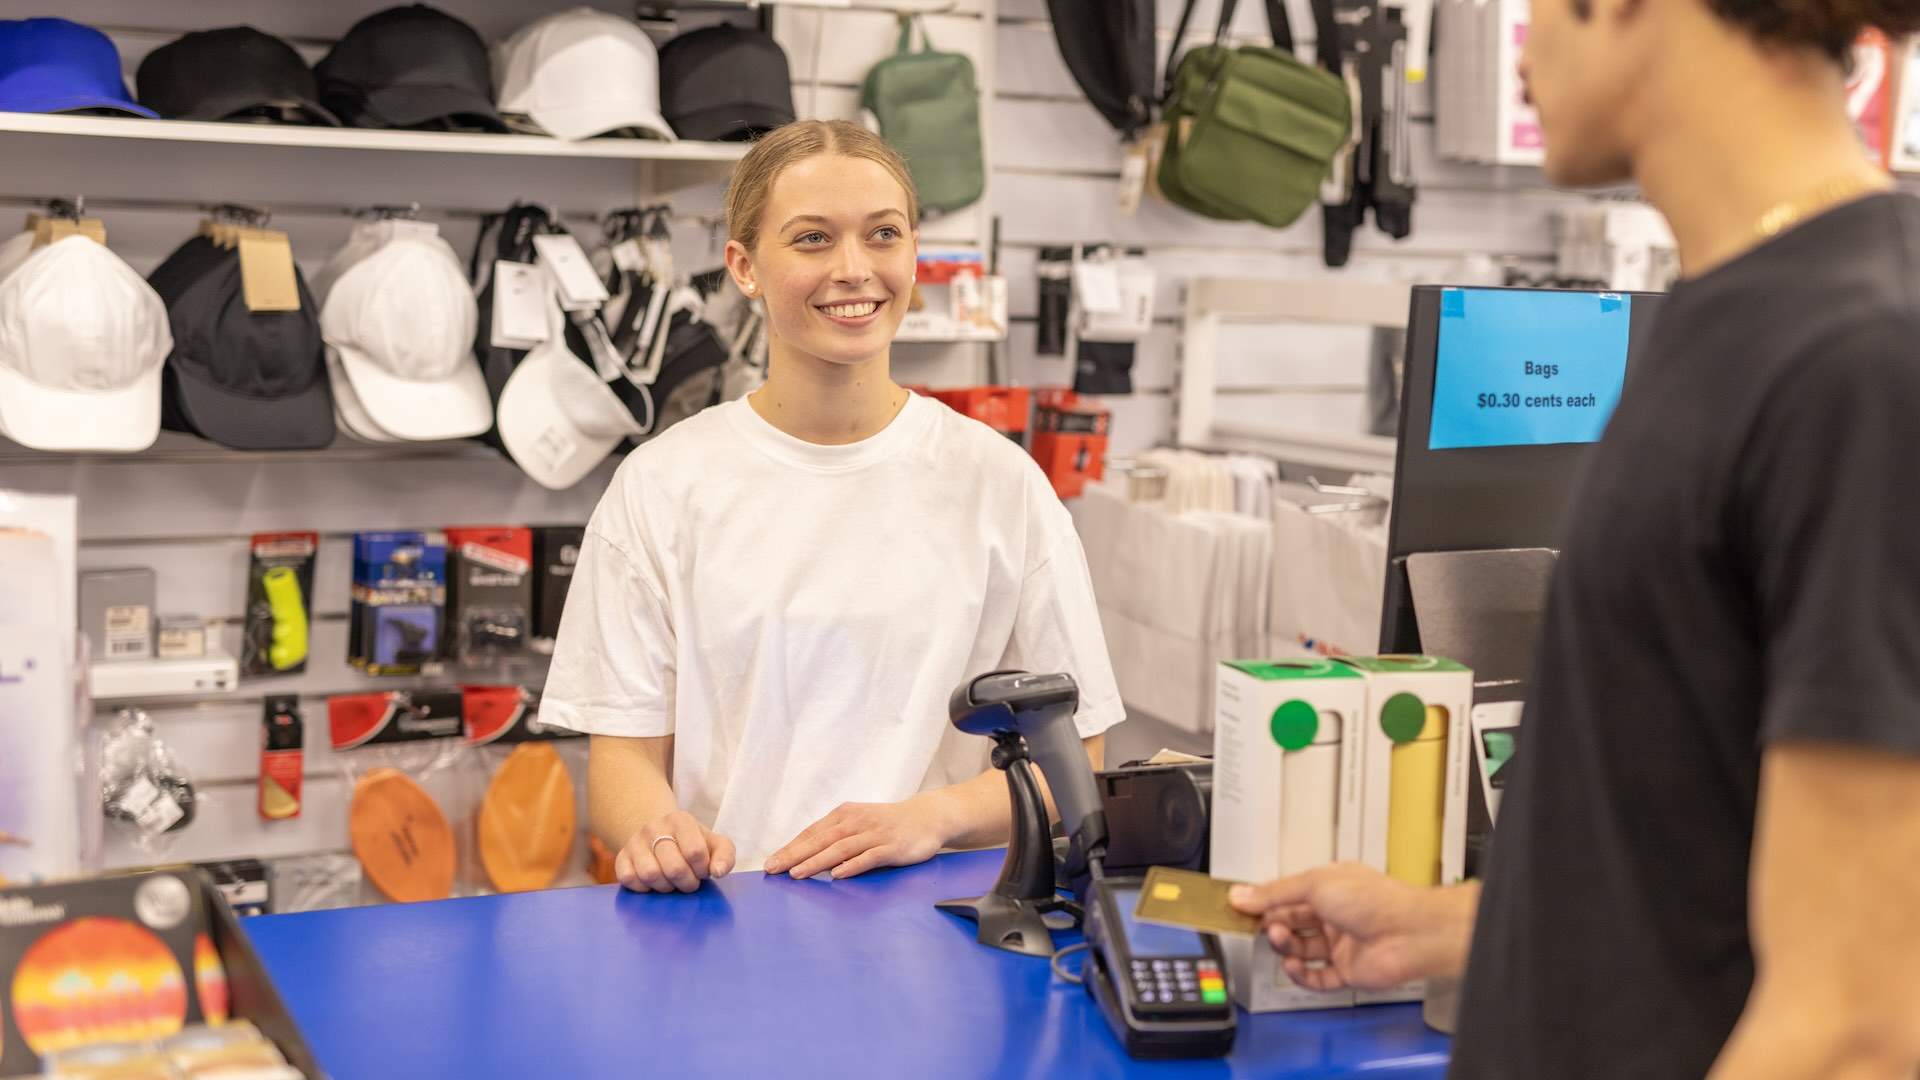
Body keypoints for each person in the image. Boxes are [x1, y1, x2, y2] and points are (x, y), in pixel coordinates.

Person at [1228, 0, 1920, 1074]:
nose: (1521, 38)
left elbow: (1858, 1025)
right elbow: (1698, 861)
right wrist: (1450, 927)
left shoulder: (1862, 361)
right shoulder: (1725, 317)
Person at [540, 120, 1122, 893]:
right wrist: (658, 833)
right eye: (812, 239)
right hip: (732, 917)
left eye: (883, 234)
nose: (855, 269)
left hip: (942, 922)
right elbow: (624, 757)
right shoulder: (660, 486)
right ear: (744, 267)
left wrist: (932, 817)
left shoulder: (1000, 483)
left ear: (913, 250)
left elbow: (1078, 762)